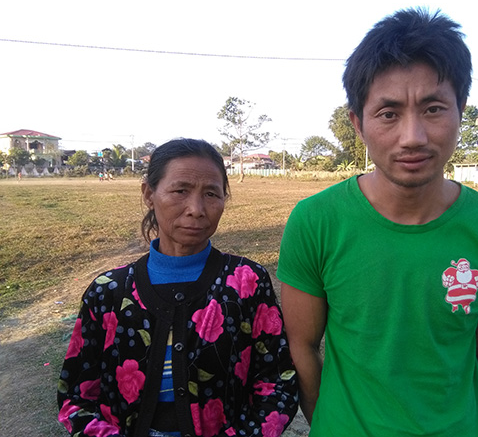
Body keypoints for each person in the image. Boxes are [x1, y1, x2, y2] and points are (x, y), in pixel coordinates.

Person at [277, 8, 478, 436]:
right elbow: (302, 348)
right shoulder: (315, 222)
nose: (412, 136)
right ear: (358, 123)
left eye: (433, 108)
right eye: (388, 113)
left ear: (460, 110)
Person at [58, 138, 298, 437]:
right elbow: (76, 398)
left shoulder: (246, 281)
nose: (196, 209)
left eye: (211, 193)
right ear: (149, 193)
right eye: (180, 190)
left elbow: (278, 382)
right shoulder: (108, 292)